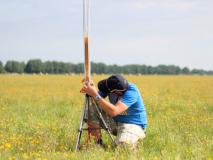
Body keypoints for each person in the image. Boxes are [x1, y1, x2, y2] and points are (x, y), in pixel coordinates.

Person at [80, 75, 147, 148]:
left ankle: (136, 138)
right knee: (92, 108)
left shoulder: (132, 91)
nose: (104, 90)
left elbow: (114, 111)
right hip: (116, 121)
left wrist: (94, 94)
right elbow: (96, 98)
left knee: (123, 147)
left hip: (133, 125)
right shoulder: (111, 85)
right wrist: (90, 88)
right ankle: (97, 144)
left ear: (117, 92)